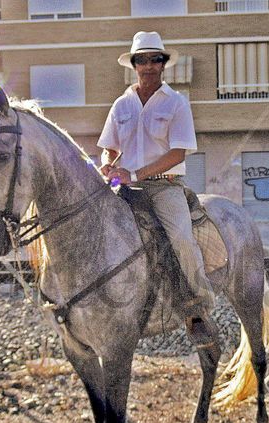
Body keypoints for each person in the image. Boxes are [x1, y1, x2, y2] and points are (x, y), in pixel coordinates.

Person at [98, 31, 214, 316]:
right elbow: (108, 149)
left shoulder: (176, 103)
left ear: (163, 64)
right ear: (134, 66)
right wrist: (107, 165)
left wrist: (134, 174)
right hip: (123, 186)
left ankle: (202, 301)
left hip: (165, 187)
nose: (148, 65)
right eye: (142, 60)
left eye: (155, 59)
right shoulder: (121, 105)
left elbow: (178, 153)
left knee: (182, 239)